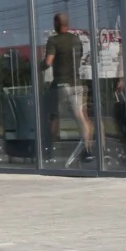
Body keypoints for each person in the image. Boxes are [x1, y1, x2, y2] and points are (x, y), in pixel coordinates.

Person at [45, 12, 94, 166]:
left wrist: (38, 67)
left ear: (56, 24)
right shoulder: (76, 39)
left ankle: (48, 149)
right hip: (77, 83)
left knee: (54, 116)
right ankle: (87, 150)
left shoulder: (53, 40)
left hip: (61, 85)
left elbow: (48, 62)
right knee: (81, 116)